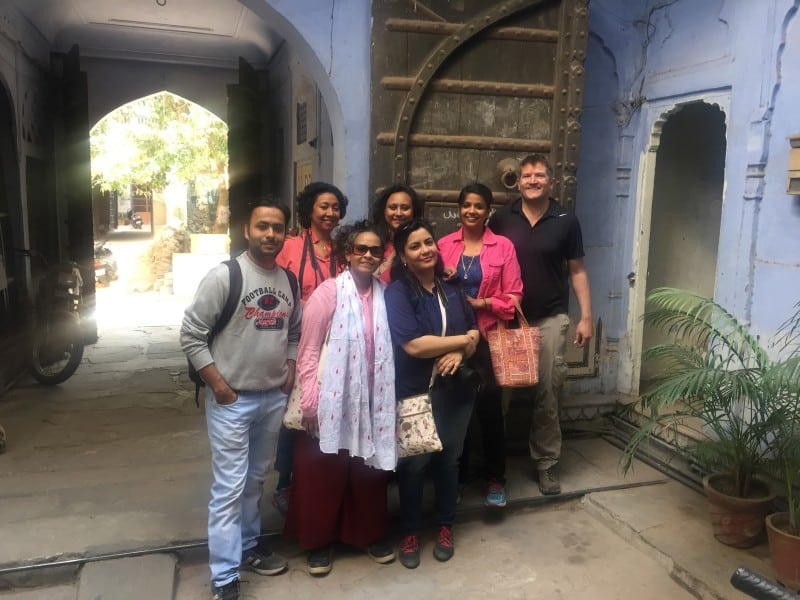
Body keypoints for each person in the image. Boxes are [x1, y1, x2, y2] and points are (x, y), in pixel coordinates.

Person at [181, 198, 301, 600]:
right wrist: (217, 384)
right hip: (232, 401)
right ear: (247, 231)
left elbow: (295, 332)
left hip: (271, 398)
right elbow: (191, 334)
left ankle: (249, 547)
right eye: (262, 226)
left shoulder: (289, 281)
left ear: (287, 233)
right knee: (230, 487)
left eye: (278, 228)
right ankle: (225, 576)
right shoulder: (226, 276)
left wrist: (288, 371)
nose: (270, 234)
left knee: (255, 479)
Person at [284, 220, 397, 576]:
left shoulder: (384, 294)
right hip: (331, 398)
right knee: (322, 473)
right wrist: (313, 401)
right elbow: (308, 350)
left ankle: (367, 534)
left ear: (382, 256)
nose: (367, 255)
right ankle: (319, 542)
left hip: (372, 400)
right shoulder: (328, 293)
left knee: (368, 472)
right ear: (347, 252)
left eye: (375, 250)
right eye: (360, 248)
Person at [489, 154, 593, 496]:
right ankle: (490, 464)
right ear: (517, 182)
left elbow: (577, 270)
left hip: (550, 317)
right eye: (526, 175)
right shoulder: (502, 219)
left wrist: (586, 317)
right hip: (508, 319)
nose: (532, 180)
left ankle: (546, 463)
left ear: (551, 181)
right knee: (499, 394)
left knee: (548, 393)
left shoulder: (566, 220)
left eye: (539, 175)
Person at [385, 219, 481, 569]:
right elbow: (414, 344)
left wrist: (462, 351)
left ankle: (444, 526)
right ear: (403, 256)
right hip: (415, 394)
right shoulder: (397, 292)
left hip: (455, 393)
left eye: (429, 242)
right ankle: (410, 532)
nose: (425, 249)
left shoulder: (451, 288)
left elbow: (474, 330)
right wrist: (463, 341)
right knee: (413, 463)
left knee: (448, 461)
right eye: (415, 246)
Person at [438, 182, 523, 508]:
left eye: (479, 206)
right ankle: (454, 478)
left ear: (488, 212)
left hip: (488, 338)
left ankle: (495, 479)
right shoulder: (444, 245)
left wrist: (481, 303)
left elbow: (514, 297)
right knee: (453, 410)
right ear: (459, 209)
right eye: (467, 205)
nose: (472, 211)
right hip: (449, 340)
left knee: (489, 410)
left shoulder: (503, 247)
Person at [272, 181, 348, 514]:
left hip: (335, 345)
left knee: (326, 412)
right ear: (310, 210)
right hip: (294, 342)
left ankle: (321, 480)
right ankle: (285, 482)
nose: (330, 213)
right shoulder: (288, 248)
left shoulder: (343, 251)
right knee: (294, 413)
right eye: (324, 206)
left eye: (335, 207)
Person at [370, 183, 423, 282]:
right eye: (393, 208)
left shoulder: (422, 244)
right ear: (384, 211)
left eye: (405, 208)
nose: (398, 213)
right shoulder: (372, 242)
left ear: (414, 212)